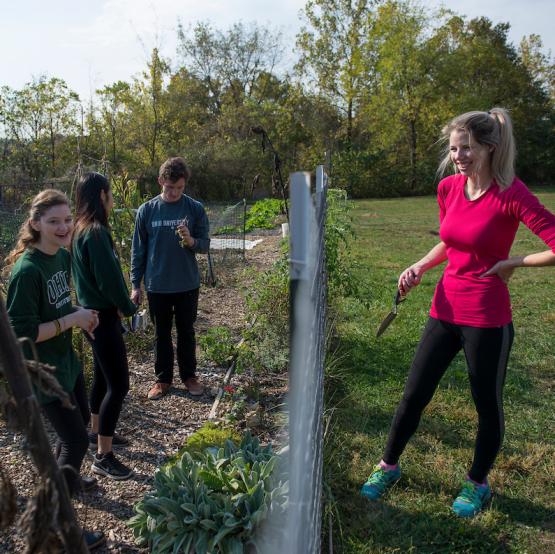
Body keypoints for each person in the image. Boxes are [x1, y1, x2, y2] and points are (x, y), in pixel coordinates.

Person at [361, 108, 555, 517]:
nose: (458, 156)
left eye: (466, 147)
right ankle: (388, 466)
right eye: (453, 149)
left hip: (487, 318)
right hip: (444, 309)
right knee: (414, 393)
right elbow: (451, 241)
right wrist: (420, 265)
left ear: (489, 147)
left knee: (487, 404)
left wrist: (512, 263)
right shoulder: (450, 188)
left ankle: (477, 484)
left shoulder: (512, 193)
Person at [5, 189, 105, 549]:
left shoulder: (60, 257)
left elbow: (60, 305)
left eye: (66, 220)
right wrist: (71, 320)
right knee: (76, 440)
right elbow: (22, 334)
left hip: (67, 364)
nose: (64, 227)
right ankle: (57, 522)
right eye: (53, 222)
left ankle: (71, 480)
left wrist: (80, 317)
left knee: (77, 432)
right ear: (35, 224)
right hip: (44, 372)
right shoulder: (27, 271)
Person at [71, 172, 137, 480]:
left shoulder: (79, 229)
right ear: (101, 196)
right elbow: (109, 279)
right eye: (109, 194)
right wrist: (128, 307)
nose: (111, 199)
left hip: (89, 315)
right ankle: (104, 455)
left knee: (101, 378)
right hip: (103, 316)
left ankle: (98, 434)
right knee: (119, 384)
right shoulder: (96, 232)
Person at [130, 157, 210, 400]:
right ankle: (163, 379)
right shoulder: (147, 210)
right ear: (160, 182)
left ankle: (189, 377)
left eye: (179, 188)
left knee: (186, 331)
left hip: (187, 283)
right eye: (169, 187)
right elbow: (138, 250)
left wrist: (191, 242)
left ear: (185, 185)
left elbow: (205, 245)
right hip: (158, 285)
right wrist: (136, 284)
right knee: (161, 333)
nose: (174, 192)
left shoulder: (194, 208)